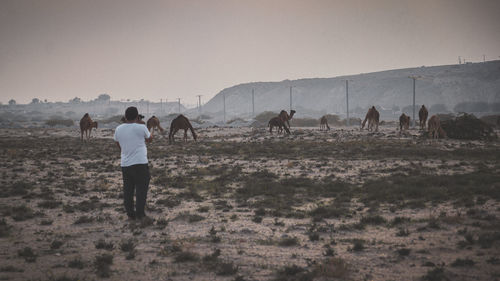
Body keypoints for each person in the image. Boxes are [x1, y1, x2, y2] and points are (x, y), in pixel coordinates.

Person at [113, 106, 153, 220]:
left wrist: (125, 151)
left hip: (125, 164)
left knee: (128, 189)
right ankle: (140, 214)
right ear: (137, 116)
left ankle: (130, 213)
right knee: (141, 189)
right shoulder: (141, 127)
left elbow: (117, 142)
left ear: (125, 117)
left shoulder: (118, 129)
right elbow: (150, 139)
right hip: (140, 163)